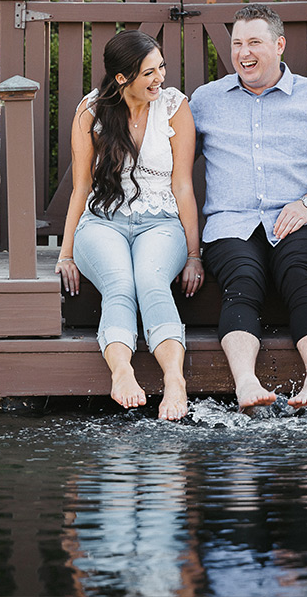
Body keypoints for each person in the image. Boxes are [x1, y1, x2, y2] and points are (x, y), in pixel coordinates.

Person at [189, 4, 307, 410]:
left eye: (254, 42)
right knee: (242, 281)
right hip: (230, 224)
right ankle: (246, 385)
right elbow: (172, 168)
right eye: (237, 44)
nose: (244, 53)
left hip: (298, 218)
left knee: (301, 277)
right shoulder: (205, 101)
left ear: (279, 45)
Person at [54, 30, 204, 421]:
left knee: (150, 281)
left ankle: (175, 379)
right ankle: (122, 372)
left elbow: (183, 186)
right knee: (121, 284)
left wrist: (193, 255)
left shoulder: (175, 107)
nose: (160, 79)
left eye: (162, 68)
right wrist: (66, 252)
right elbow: (81, 187)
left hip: (161, 222)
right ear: (122, 78)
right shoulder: (91, 111)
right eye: (149, 73)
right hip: (103, 222)